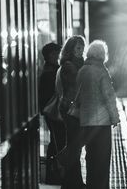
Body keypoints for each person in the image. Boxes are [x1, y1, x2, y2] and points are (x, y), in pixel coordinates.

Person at [77, 40, 120, 189]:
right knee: (102, 159)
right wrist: (115, 117)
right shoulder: (101, 71)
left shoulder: (82, 70)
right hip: (101, 123)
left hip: (86, 121)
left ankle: (91, 185)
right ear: (102, 55)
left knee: (91, 157)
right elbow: (109, 96)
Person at [57, 35, 86, 189]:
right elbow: (76, 85)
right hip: (71, 110)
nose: (81, 51)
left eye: (82, 47)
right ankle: (72, 182)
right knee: (74, 146)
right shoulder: (69, 65)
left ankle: (71, 182)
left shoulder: (80, 63)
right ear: (70, 49)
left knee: (76, 146)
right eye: (78, 47)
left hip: (75, 109)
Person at [38, 42, 65, 184]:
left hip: (53, 112)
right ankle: (54, 174)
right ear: (47, 56)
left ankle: (53, 173)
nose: (56, 56)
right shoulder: (50, 72)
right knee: (58, 142)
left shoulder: (53, 69)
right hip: (54, 113)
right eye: (53, 54)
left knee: (56, 142)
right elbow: (46, 96)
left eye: (58, 53)